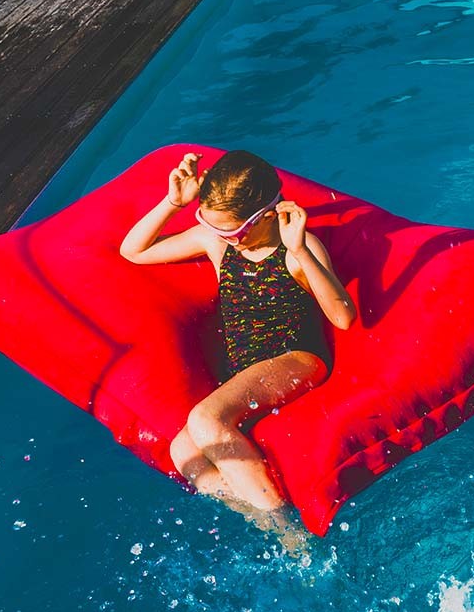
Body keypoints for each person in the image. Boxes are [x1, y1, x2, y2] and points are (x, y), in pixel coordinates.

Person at [120, 149, 355, 528]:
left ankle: (288, 533)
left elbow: (343, 317)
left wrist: (301, 252)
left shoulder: (297, 248)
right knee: (184, 453)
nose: (223, 238)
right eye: (210, 226)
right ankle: (262, 517)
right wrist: (173, 202)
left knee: (207, 420)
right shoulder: (219, 243)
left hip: (296, 356)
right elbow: (133, 251)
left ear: (265, 215)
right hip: (246, 369)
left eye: (231, 230)